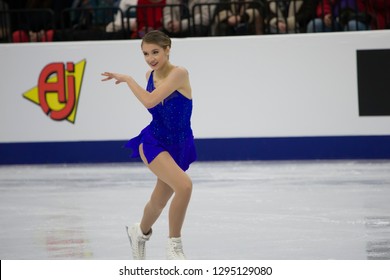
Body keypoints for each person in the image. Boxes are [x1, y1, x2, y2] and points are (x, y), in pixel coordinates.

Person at [101, 30, 196, 260]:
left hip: (179, 145)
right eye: (145, 53)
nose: (151, 58)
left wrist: (128, 80)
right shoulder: (149, 76)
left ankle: (139, 232)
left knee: (159, 200)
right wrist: (131, 79)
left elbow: (150, 99)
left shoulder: (179, 73)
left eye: (155, 52)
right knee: (184, 186)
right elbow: (151, 102)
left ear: (167, 49)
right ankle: (174, 247)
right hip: (153, 141)